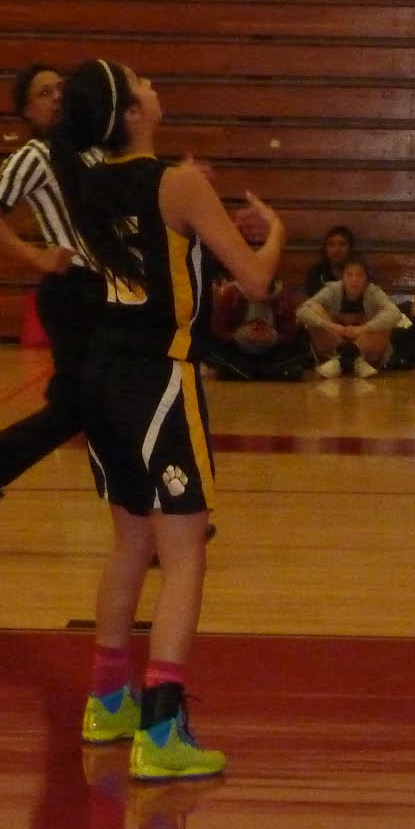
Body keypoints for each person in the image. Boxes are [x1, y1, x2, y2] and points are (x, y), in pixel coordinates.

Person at [49, 57, 285, 781]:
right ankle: (160, 732)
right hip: (158, 377)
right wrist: (275, 230)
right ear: (130, 113)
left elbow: (164, 247)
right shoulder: (178, 184)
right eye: (141, 83)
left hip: (102, 377)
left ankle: (107, 702)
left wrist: (205, 222)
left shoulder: (93, 182)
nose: (154, 85)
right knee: (184, 555)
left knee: (129, 545)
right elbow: (256, 280)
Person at [0, 65, 107, 548]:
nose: (57, 97)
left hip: (107, 292)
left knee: (88, 410)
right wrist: (37, 256)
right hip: (73, 293)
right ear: (27, 110)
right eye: (44, 92)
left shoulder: (94, 148)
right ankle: (156, 521)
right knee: (93, 408)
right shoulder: (32, 156)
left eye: (60, 89)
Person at [296, 257, 405, 378]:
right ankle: (343, 357)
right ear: (342, 277)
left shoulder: (373, 292)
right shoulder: (333, 290)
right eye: (349, 275)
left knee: (385, 316)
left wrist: (363, 329)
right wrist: (330, 326)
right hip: (332, 349)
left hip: (367, 357)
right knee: (314, 308)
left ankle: (345, 358)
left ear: (366, 279)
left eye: (359, 275)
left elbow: (395, 314)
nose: (354, 280)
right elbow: (301, 311)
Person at [303, 224, 356, 299]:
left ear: (350, 248)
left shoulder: (359, 273)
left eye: (342, 244)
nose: (336, 250)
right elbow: (310, 302)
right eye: (331, 245)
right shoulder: (316, 273)